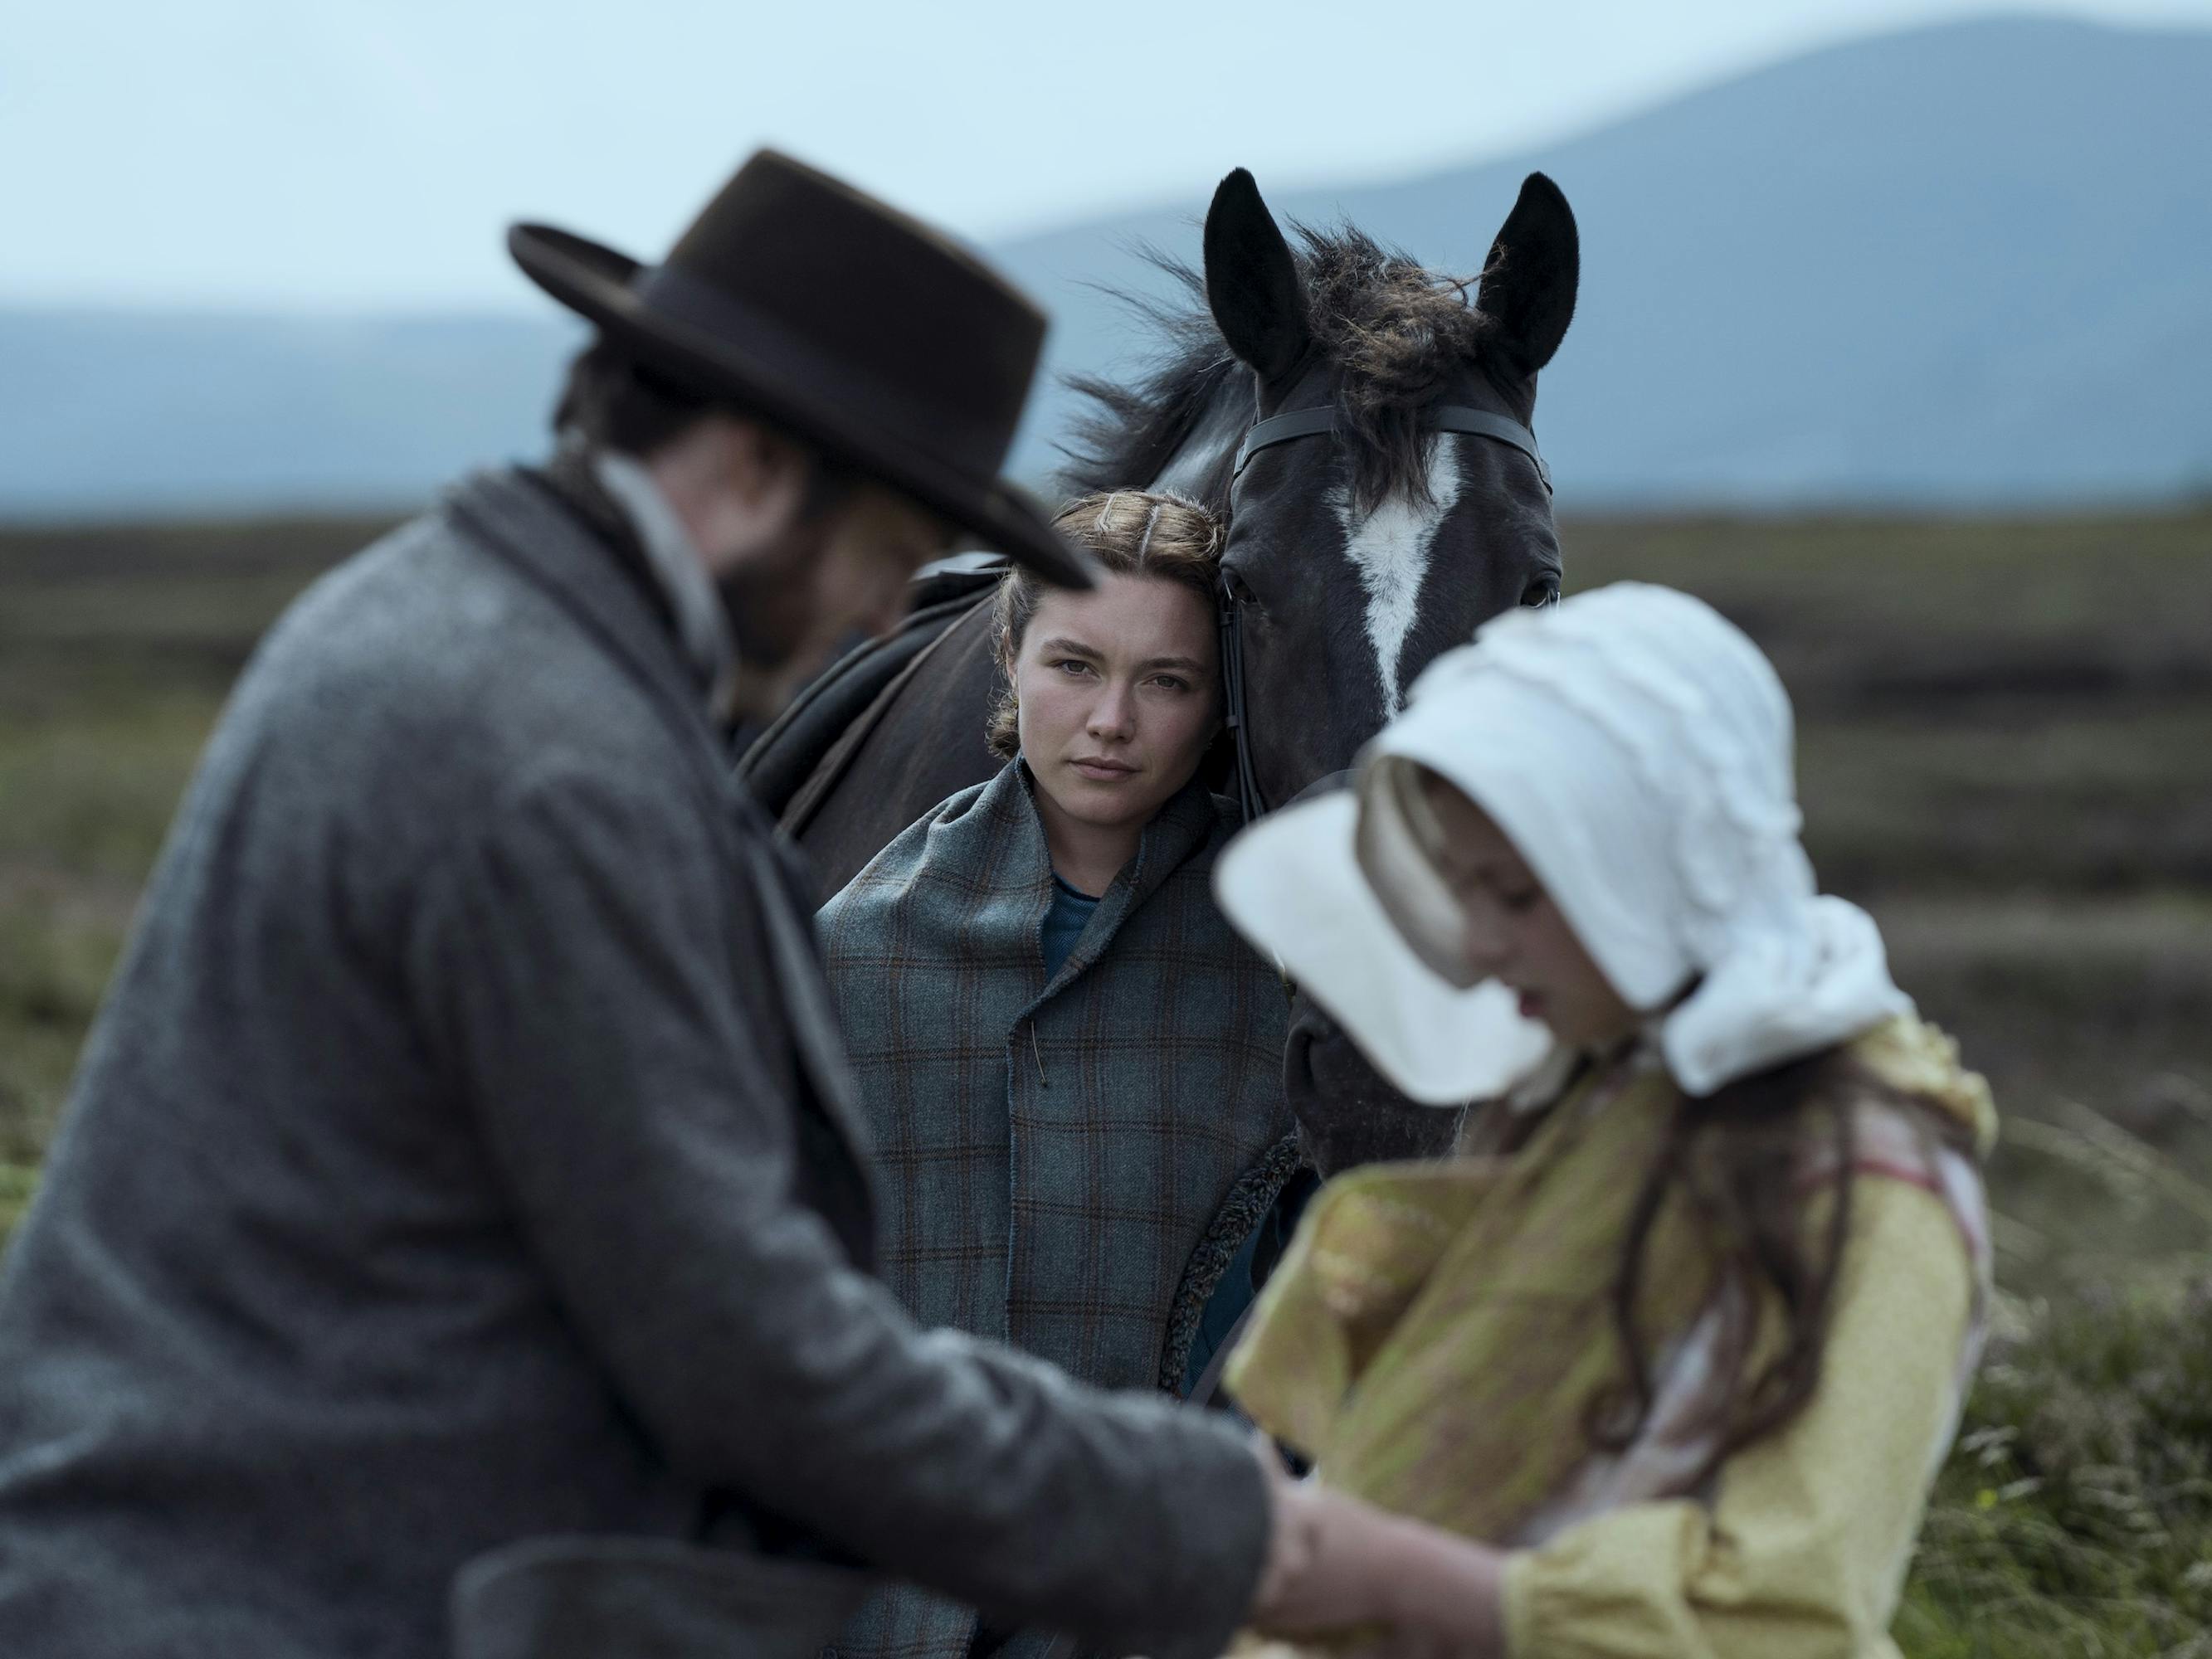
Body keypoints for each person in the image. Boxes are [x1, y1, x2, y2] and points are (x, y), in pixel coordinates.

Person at [0, 149, 1495, 1659]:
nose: (879, 615)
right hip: (270, 1602)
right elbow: (745, 1349)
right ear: (764, 474)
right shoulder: (544, 758)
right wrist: (1242, 1532)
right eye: (892, 554)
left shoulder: (440, 622)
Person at [1212, 581, 1997, 1658]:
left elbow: (1785, 1615)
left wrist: (1380, 1575)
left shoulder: (1867, 1186)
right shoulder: (1592, 1095)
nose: (1477, 945)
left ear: (1647, 875)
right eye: (1459, 889)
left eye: (1518, 896)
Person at [817, 489, 1303, 1659]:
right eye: (1075, 665)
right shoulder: (851, 950)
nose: (1110, 720)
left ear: (1217, 705)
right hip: (873, 1592)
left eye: (1167, 681)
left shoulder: (1291, 969)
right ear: (1010, 659)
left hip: (1176, 1598)